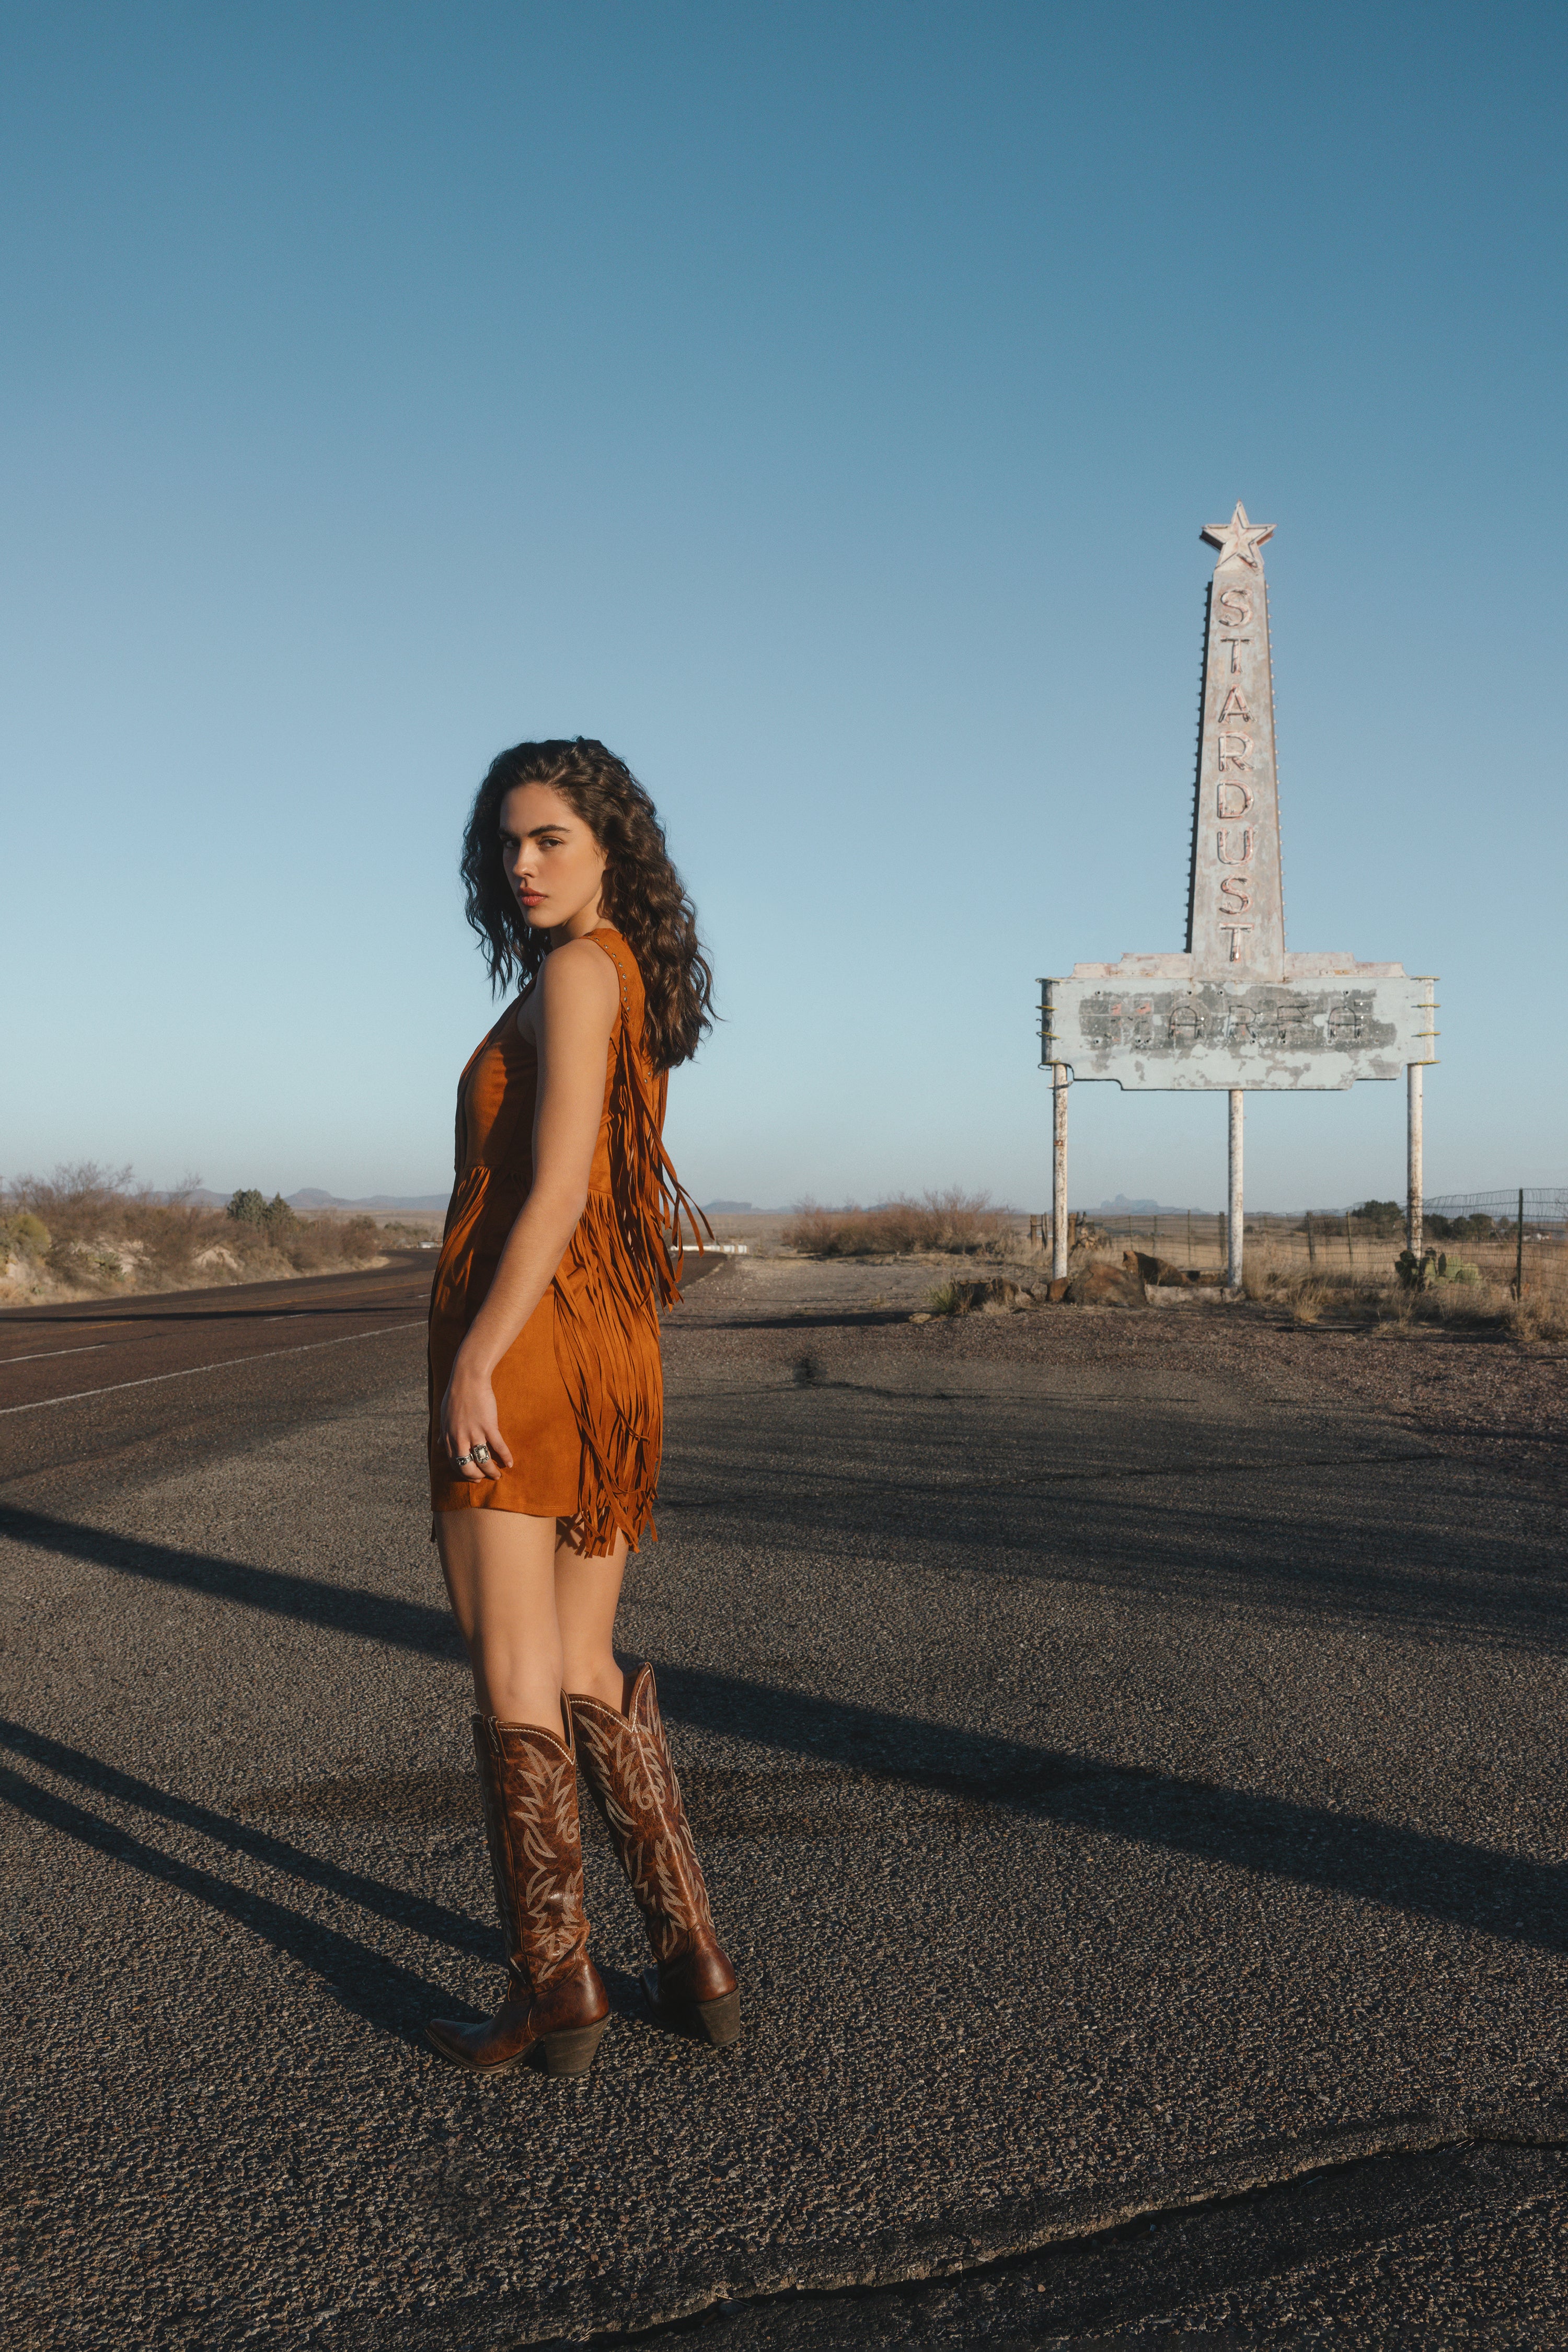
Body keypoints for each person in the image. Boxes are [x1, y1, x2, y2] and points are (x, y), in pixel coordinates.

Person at [423, 737, 739, 2078]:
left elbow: (550, 1191)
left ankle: (557, 1992)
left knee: (512, 1672)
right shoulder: (629, 975)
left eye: (550, 837)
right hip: (612, 1346)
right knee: (581, 1666)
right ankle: (690, 1957)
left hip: (536, 1337)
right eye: (508, 843)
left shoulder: (570, 973)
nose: (523, 864)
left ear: (613, 842)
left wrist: (474, 1359)